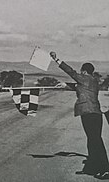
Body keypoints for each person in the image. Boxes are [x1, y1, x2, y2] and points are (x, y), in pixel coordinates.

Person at [50, 51, 109, 179]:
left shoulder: (86, 78)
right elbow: (79, 87)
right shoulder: (92, 81)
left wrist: (57, 60)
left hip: (89, 113)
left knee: (96, 141)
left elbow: (71, 72)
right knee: (92, 140)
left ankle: (105, 169)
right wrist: (66, 85)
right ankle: (92, 168)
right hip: (93, 114)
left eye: (81, 71)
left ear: (84, 71)